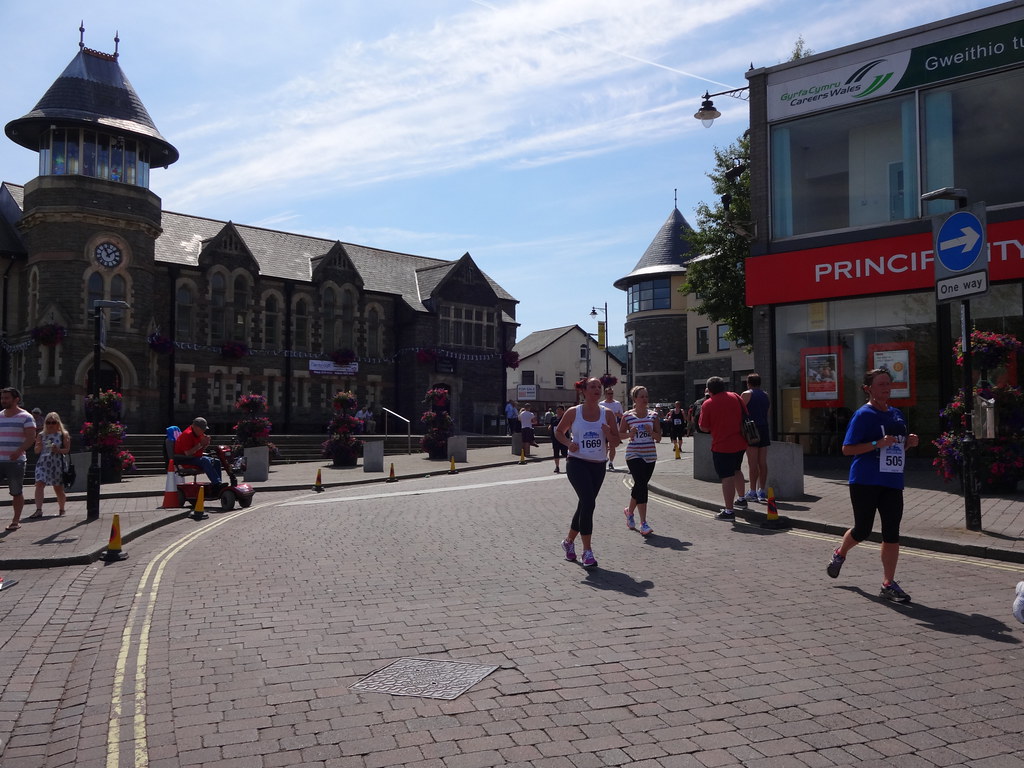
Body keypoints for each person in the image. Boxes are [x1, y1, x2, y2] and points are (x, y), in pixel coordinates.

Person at [826, 368, 919, 602]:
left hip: (892, 481)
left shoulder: (897, 414)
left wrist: (909, 442)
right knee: (863, 529)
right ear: (869, 388)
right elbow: (847, 449)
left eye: (888, 383)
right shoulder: (863, 415)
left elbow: (896, 447)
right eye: (881, 384)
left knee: (892, 533)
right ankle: (840, 553)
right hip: (865, 480)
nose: (886, 388)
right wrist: (877, 443)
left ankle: (888, 583)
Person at [555, 377, 621, 568]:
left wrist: (608, 433)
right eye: (592, 387)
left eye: (599, 387)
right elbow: (559, 432)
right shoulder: (573, 412)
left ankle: (568, 542)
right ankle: (587, 551)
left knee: (585, 504)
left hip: (598, 465)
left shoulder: (607, 414)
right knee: (589, 503)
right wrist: (569, 443)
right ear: (583, 390)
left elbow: (616, 442)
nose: (597, 389)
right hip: (577, 462)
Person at [698, 376, 748, 521]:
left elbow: (704, 427)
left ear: (709, 389)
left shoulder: (708, 404)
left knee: (727, 477)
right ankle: (742, 499)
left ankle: (729, 511)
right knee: (737, 469)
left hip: (722, 445)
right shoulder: (736, 396)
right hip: (740, 442)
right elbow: (745, 414)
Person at [620, 385, 662, 536]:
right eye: (642, 397)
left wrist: (651, 432)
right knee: (642, 486)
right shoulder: (627, 416)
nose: (645, 399)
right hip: (634, 455)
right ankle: (643, 523)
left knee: (639, 485)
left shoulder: (653, 416)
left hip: (650, 455)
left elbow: (659, 437)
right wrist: (629, 433)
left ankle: (629, 512)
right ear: (634, 399)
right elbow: (620, 435)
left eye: (646, 396)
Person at [2, 387, 38, 531]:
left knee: (16, 491)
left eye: (6, 398)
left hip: (16, 461)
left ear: (16, 399)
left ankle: (15, 521)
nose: (3, 401)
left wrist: (19, 451)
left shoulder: (26, 417)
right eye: (2, 398)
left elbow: (31, 437)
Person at [29, 411, 71, 518]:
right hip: (43, 462)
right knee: (39, 483)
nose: (51, 425)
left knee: (58, 488)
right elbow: (36, 451)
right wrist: (38, 446)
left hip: (57, 463)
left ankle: (62, 509)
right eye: (48, 422)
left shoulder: (63, 434)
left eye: (53, 422)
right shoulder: (41, 435)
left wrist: (58, 450)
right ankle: (39, 510)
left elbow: (67, 450)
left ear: (58, 423)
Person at [741, 373, 772, 502]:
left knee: (752, 463)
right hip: (764, 428)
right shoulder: (766, 395)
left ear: (748, 383)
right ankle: (762, 491)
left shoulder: (746, 394)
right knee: (762, 463)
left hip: (751, 430)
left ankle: (752, 491)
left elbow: (740, 412)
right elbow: (767, 413)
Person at [173, 417, 224, 488]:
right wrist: (201, 444)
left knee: (216, 461)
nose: (203, 431)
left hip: (195, 458)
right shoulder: (187, 435)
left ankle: (219, 483)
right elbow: (188, 453)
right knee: (205, 461)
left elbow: (200, 449)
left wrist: (205, 444)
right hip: (185, 460)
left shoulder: (199, 434)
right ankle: (216, 483)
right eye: (202, 429)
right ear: (195, 427)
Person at [601, 385, 624, 471]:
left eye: (612, 393)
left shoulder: (617, 403)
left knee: (612, 446)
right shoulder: (601, 404)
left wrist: (617, 414)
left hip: (614, 427)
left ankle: (611, 462)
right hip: (604, 427)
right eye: (609, 393)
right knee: (604, 446)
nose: (611, 395)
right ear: (605, 394)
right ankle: (604, 460)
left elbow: (622, 415)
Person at [549, 405, 567, 473]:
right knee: (556, 453)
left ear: (563, 411)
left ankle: (569, 465)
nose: (559, 411)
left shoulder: (565, 418)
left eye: (560, 409)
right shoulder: (553, 418)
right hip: (555, 438)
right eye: (557, 409)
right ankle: (557, 467)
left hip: (563, 437)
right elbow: (551, 425)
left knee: (564, 452)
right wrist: (550, 427)